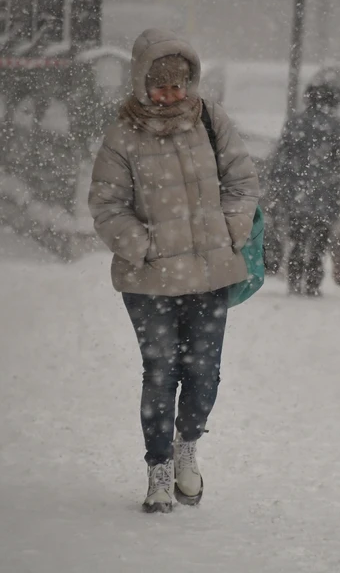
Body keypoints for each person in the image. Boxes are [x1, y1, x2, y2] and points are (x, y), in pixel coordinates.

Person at [88, 28, 260, 513]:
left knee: (204, 372)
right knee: (161, 372)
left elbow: (243, 182)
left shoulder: (209, 119)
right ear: (142, 83)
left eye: (178, 85)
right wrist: (145, 246)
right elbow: (107, 205)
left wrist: (227, 232)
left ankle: (188, 448)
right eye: (160, 86)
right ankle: (158, 471)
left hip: (209, 272)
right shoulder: (123, 134)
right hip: (150, 280)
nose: (170, 95)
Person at [268, 82, 340, 296]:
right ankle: (313, 283)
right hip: (326, 195)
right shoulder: (336, 127)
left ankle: (294, 279)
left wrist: (277, 187)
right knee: (319, 241)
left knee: (297, 238)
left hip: (296, 193)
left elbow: (282, 158)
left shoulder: (295, 124)